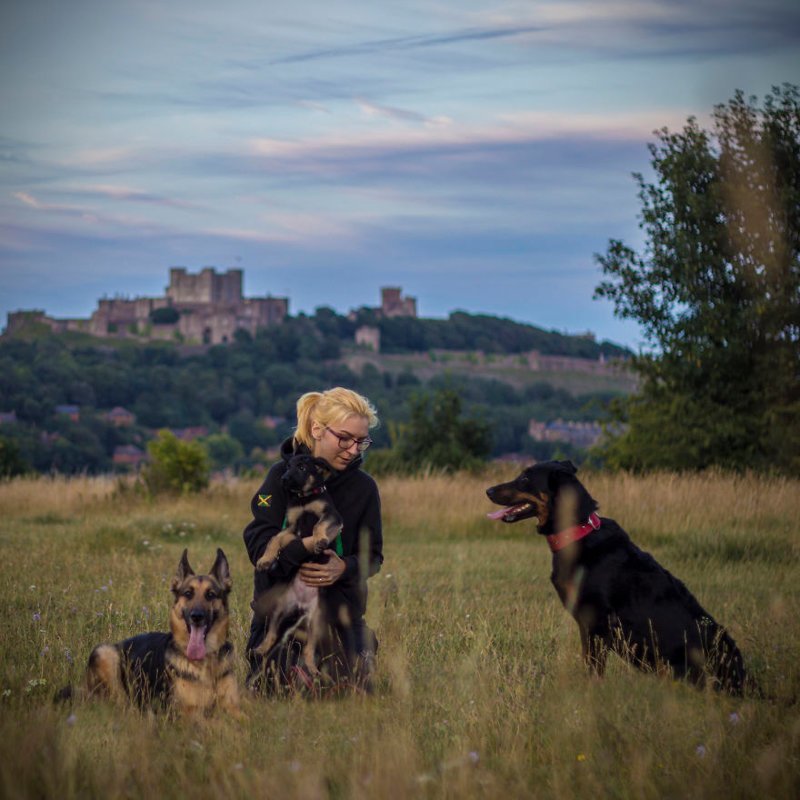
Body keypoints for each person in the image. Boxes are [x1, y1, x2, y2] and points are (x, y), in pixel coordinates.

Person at [243, 387, 383, 693]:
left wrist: (343, 568)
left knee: (356, 688)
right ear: (318, 429)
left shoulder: (364, 488)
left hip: (340, 618)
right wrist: (301, 549)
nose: (353, 449)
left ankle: (354, 652)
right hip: (280, 621)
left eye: (362, 442)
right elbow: (258, 545)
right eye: (345, 438)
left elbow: (372, 555)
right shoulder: (280, 477)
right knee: (283, 688)